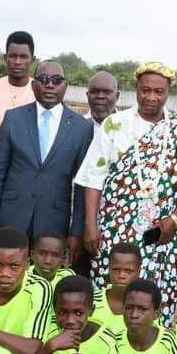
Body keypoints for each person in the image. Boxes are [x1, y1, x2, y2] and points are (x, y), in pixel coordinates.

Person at [76, 62, 177, 326]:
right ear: (136, 90)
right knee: (111, 291)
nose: (151, 98)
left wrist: (176, 220)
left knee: (158, 294)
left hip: (163, 231)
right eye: (146, 91)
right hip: (115, 229)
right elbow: (93, 178)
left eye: (159, 92)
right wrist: (90, 226)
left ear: (168, 92)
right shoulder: (115, 125)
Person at [0, 60, 93, 251]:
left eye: (56, 80)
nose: (50, 84)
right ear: (33, 85)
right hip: (11, 216)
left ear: (65, 86)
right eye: (43, 79)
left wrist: (76, 232)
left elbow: (83, 184)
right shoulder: (13, 118)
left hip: (55, 221)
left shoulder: (81, 128)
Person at [72, 71, 121, 278]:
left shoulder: (128, 129)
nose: (100, 96)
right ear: (87, 95)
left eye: (106, 91)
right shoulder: (74, 128)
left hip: (116, 224)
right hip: (77, 221)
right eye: (95, 91)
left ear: (117, 96)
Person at [0, 31, 36, 130]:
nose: (17, 62)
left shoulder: (41, 94)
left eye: (23, 57)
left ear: (32, 60)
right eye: (13, 56)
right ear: (5, 58)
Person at [90, 243, 142, 335]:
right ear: (109, 269)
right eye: (116, 270)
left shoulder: (145, 306)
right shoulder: (92, 301)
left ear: (138, 272)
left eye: (128, 271)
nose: (121, 276)